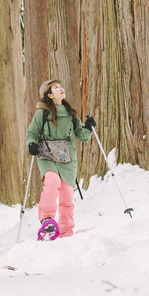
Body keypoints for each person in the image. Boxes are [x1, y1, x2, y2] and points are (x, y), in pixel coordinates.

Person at [25, 79, 95, 241]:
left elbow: (82, 136)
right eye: (56, 87)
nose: (61, 88)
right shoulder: (42, 113)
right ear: (49, 95)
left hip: (67, 157)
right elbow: (31, 133)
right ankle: (47, 220)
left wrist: (89, 128)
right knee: (52, 181)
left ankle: (65, 230)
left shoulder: (71, 114)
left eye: (61, 86)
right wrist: (31, 144)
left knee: (67, 195)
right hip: (47, 156)